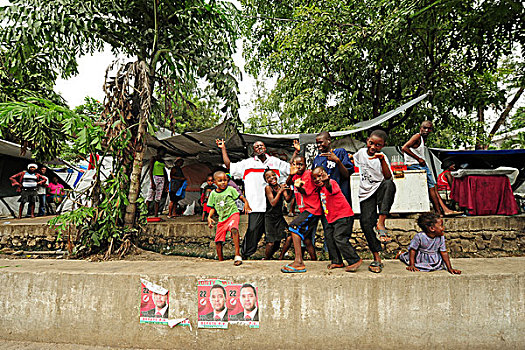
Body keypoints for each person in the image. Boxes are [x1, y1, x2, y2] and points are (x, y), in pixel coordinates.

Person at [216, 139, 296, 259]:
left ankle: (271, 255)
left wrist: (296, 152)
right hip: (255, 205)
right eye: (256, 146)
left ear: (265, 148)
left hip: (272, 207)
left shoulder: (275, 162)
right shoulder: (247, 163)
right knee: (253, 230)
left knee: (274, 233)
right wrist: (223, 149)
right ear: (253, 150)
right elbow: (229, 166)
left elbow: (290, 168)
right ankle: (245, 254)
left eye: (261, 145)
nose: (259, 147)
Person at [353, 130, 396, 273]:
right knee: (365, 224)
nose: (373, 147)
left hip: (379, 188)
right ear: (367, 141)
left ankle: (381, 222)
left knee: (390, 184)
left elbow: (388, 176)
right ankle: (376, 257)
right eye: (371, 143)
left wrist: (382, 159)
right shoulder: (360, 153)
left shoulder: (382, 157)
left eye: (378, 145)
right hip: (366, 193)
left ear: (383, 146)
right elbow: (353, 160)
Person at [402, 121, 461, 217]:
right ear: (420, 128)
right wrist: (419, 158)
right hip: (416, 165)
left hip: (418, 165)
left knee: (433, 188)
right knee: (432, 188)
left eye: (429, 129)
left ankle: (442, 210)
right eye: (424, 128)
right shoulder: (417, 136)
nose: (426, 130)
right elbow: (404, 148)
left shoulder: (421, 139)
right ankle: (440, 211)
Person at [312, 166, 362, 272]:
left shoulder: (331, 183)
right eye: (315, 178)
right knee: (329, 238)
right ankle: (337, 261)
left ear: (325, 175)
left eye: (320, 176)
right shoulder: (320, 189)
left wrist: (326, 181)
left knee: (339, 238)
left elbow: (330, 188)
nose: (317, 179)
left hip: (343, 216)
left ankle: (354, 260)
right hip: (332, 219)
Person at [280, 156, 321, 273]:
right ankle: (315, 261)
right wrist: (291, 174)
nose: (298, 167)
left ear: (305, 165)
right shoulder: (296, 175)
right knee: (306, 238)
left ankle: (298, 262)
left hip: (312, 209)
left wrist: (300, 187)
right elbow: (287, 183)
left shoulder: (308, 175)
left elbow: (305, 191)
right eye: (295, 164)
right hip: (306, 210)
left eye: (300, 164)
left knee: (294, 227)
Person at [207, 171, 251, 266]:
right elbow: (212, 207)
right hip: (222, 218)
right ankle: (220, 260)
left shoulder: (230, 189)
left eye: (225, 180)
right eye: (220, 181)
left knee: (234, 229)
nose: (223, 182)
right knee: (218, 240)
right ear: (215, 182)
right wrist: (209, 217)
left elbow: (241, 197)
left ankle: (237, 254)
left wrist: (246, 203)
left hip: (233, 214)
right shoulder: (213, 194)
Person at [397, 212, 461, 274]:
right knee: (406, 258)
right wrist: (412, 265)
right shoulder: (420, 236)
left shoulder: (441, 237)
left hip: (434, 260)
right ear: (432, 228)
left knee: (435, 267)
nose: (443, 228)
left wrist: (450, 268)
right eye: (441, 225)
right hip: (420, 258)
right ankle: (401, 254)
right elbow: (413, 250)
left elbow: (443, 252)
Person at [312, 131, 354, 202]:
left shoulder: (340, 153)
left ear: (328, 141)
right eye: (317, 143)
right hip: (325, 199)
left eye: (321, 142)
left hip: (341, 197)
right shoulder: (317, 159)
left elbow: (347, 174)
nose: (319, 145)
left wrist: (337, 161)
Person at [263, 169, 292, 260]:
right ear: (266, 180)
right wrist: (280, 191)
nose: (272, 178)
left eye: (273, 175)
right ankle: (267, 258)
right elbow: (273, 203)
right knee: (271, 242)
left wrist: (290, 190)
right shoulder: (268, 188)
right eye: (268, 177)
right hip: (270, 217)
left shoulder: (280, 186)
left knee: (289, 236)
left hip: (279, 216)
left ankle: (281, 256)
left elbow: (287, 199)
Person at [146, 146, 169, 217]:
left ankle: (156, 215)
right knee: (150, 196)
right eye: (163, 152)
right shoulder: (153, 159)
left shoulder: (162, 161)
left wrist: (167, 181)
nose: (164, 154)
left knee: (158, 198)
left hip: (161, 179)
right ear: (158, 151)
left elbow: (164, 171)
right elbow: (151, 170)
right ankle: (145, 213)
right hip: (155, 177)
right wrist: (152, 182)